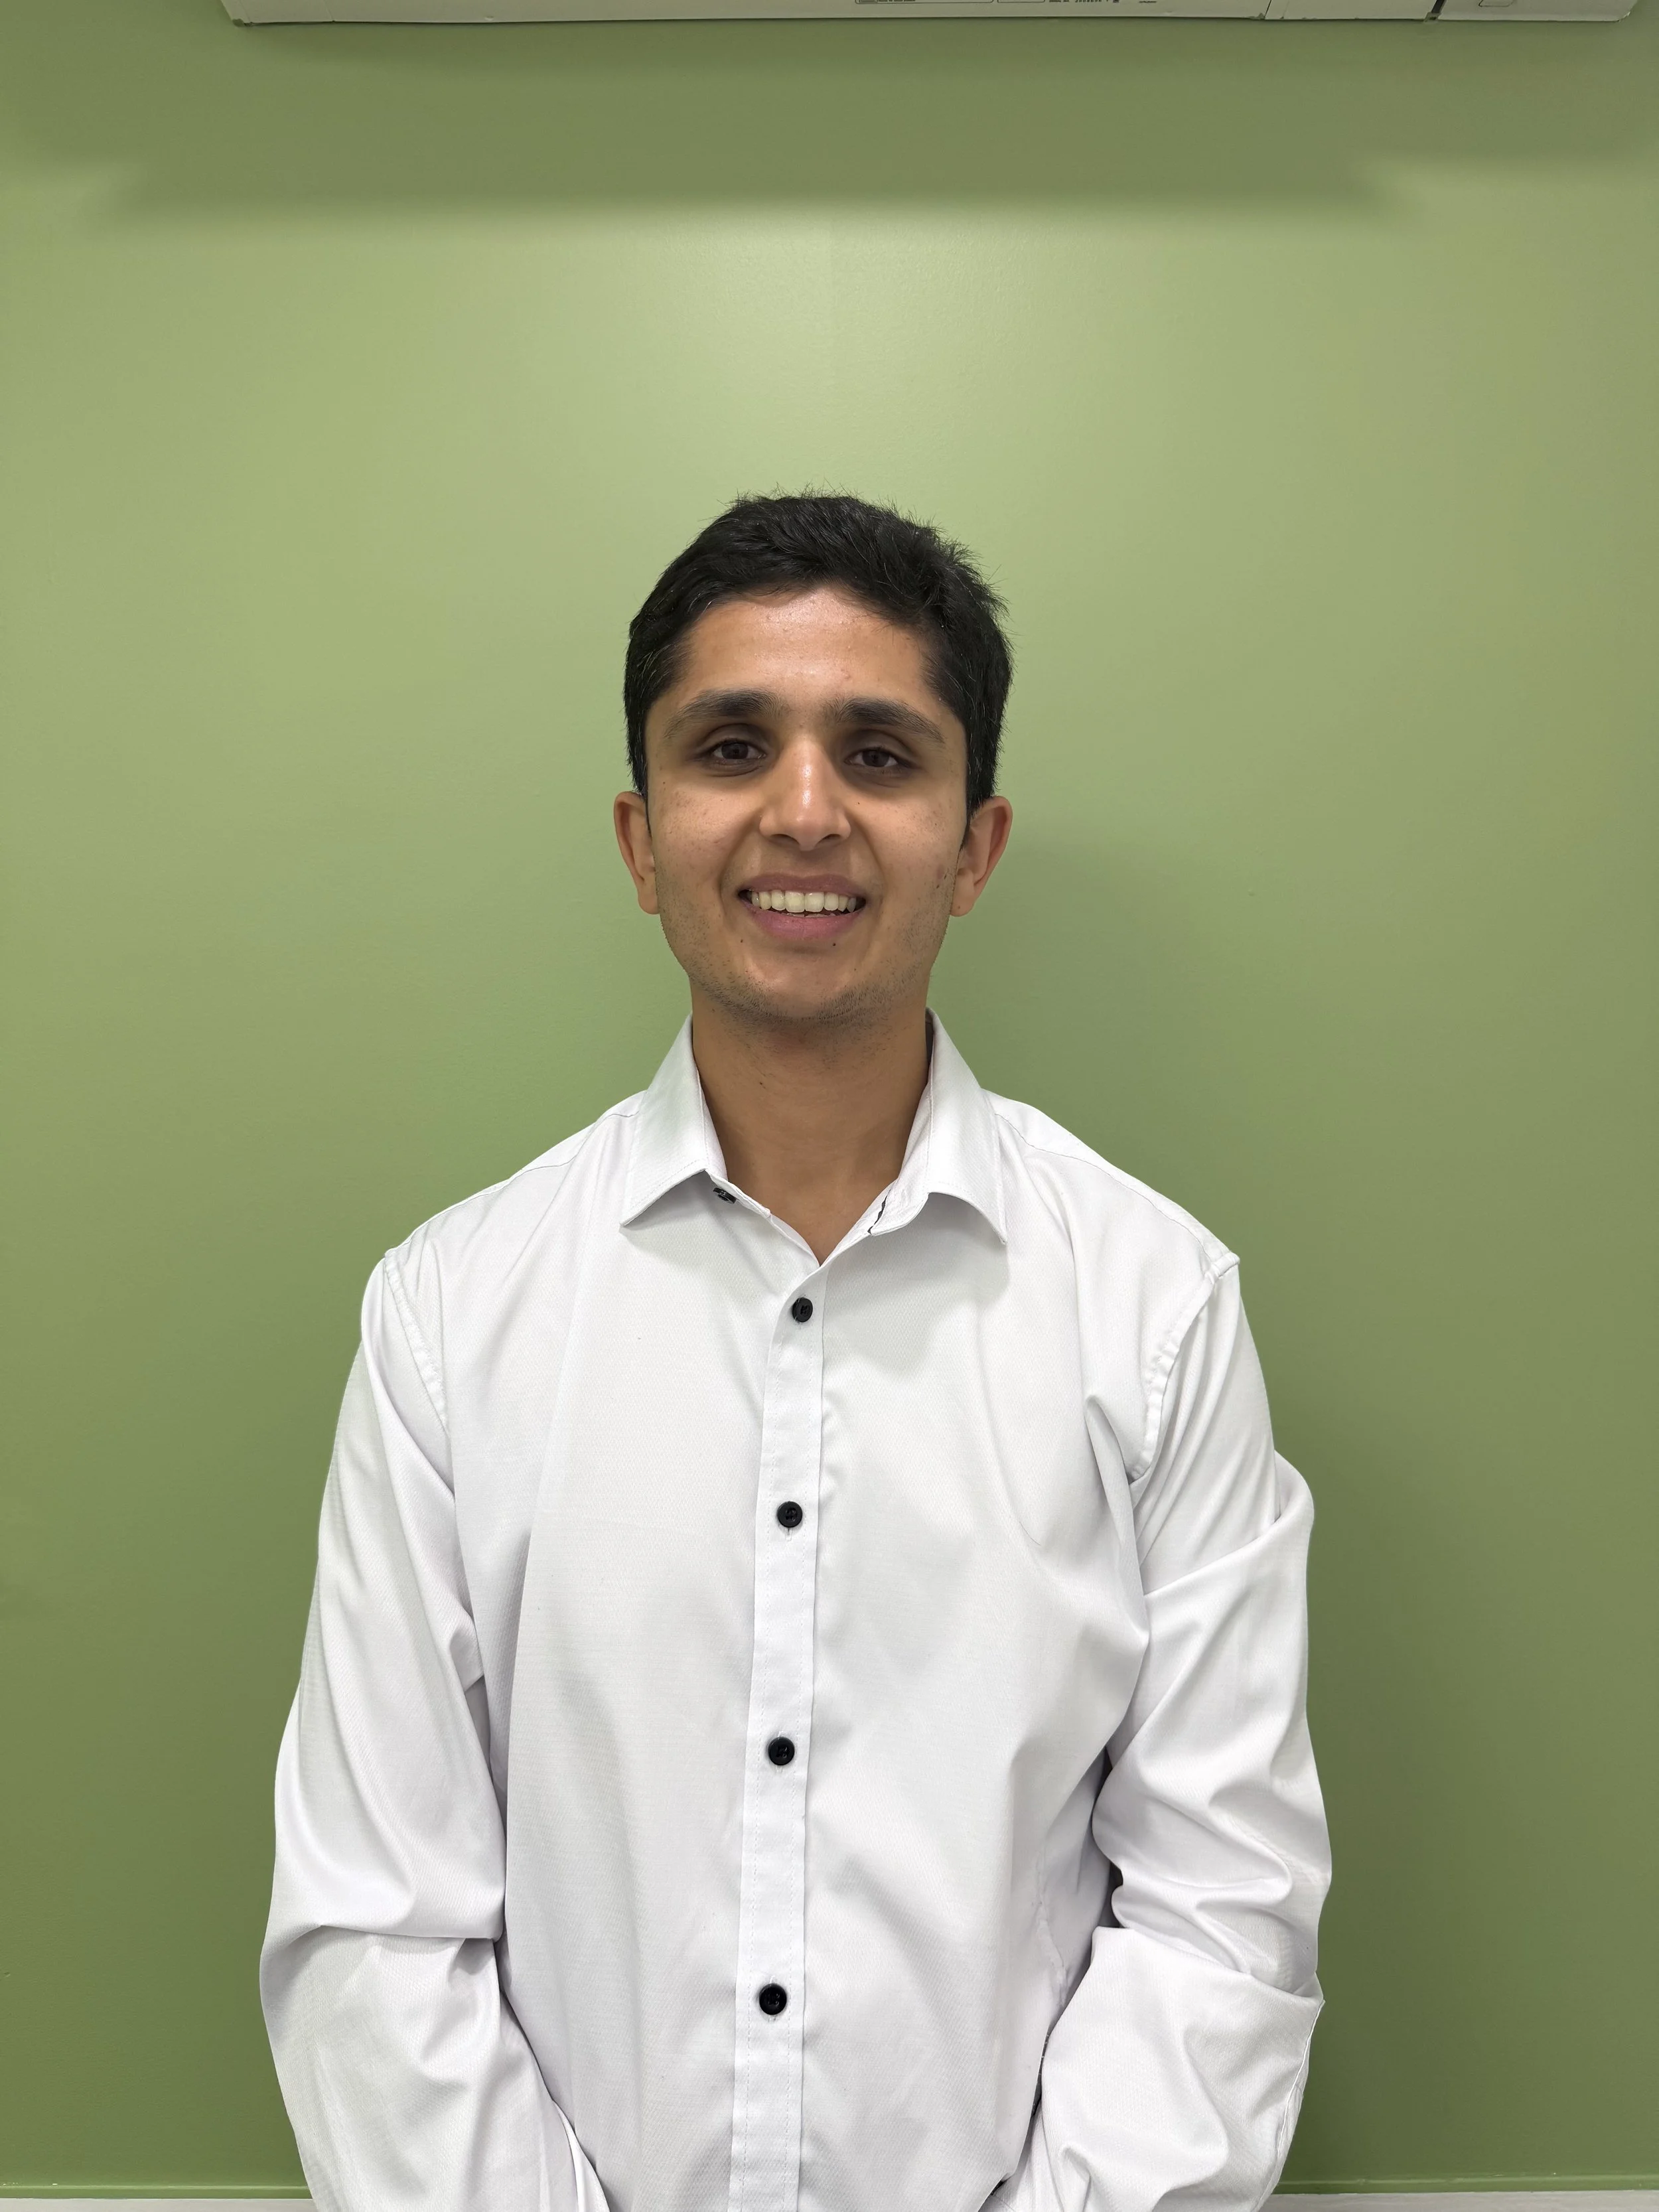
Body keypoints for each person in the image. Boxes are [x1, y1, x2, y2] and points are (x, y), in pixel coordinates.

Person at [261, 492, 1330, 2212]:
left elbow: (1223, 1913)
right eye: (732, 745)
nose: (806, 809)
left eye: (880, 753)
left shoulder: (1154, 1309)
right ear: (641, 839)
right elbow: (379, 1925)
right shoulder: (452, 1315)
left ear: (973, 846)